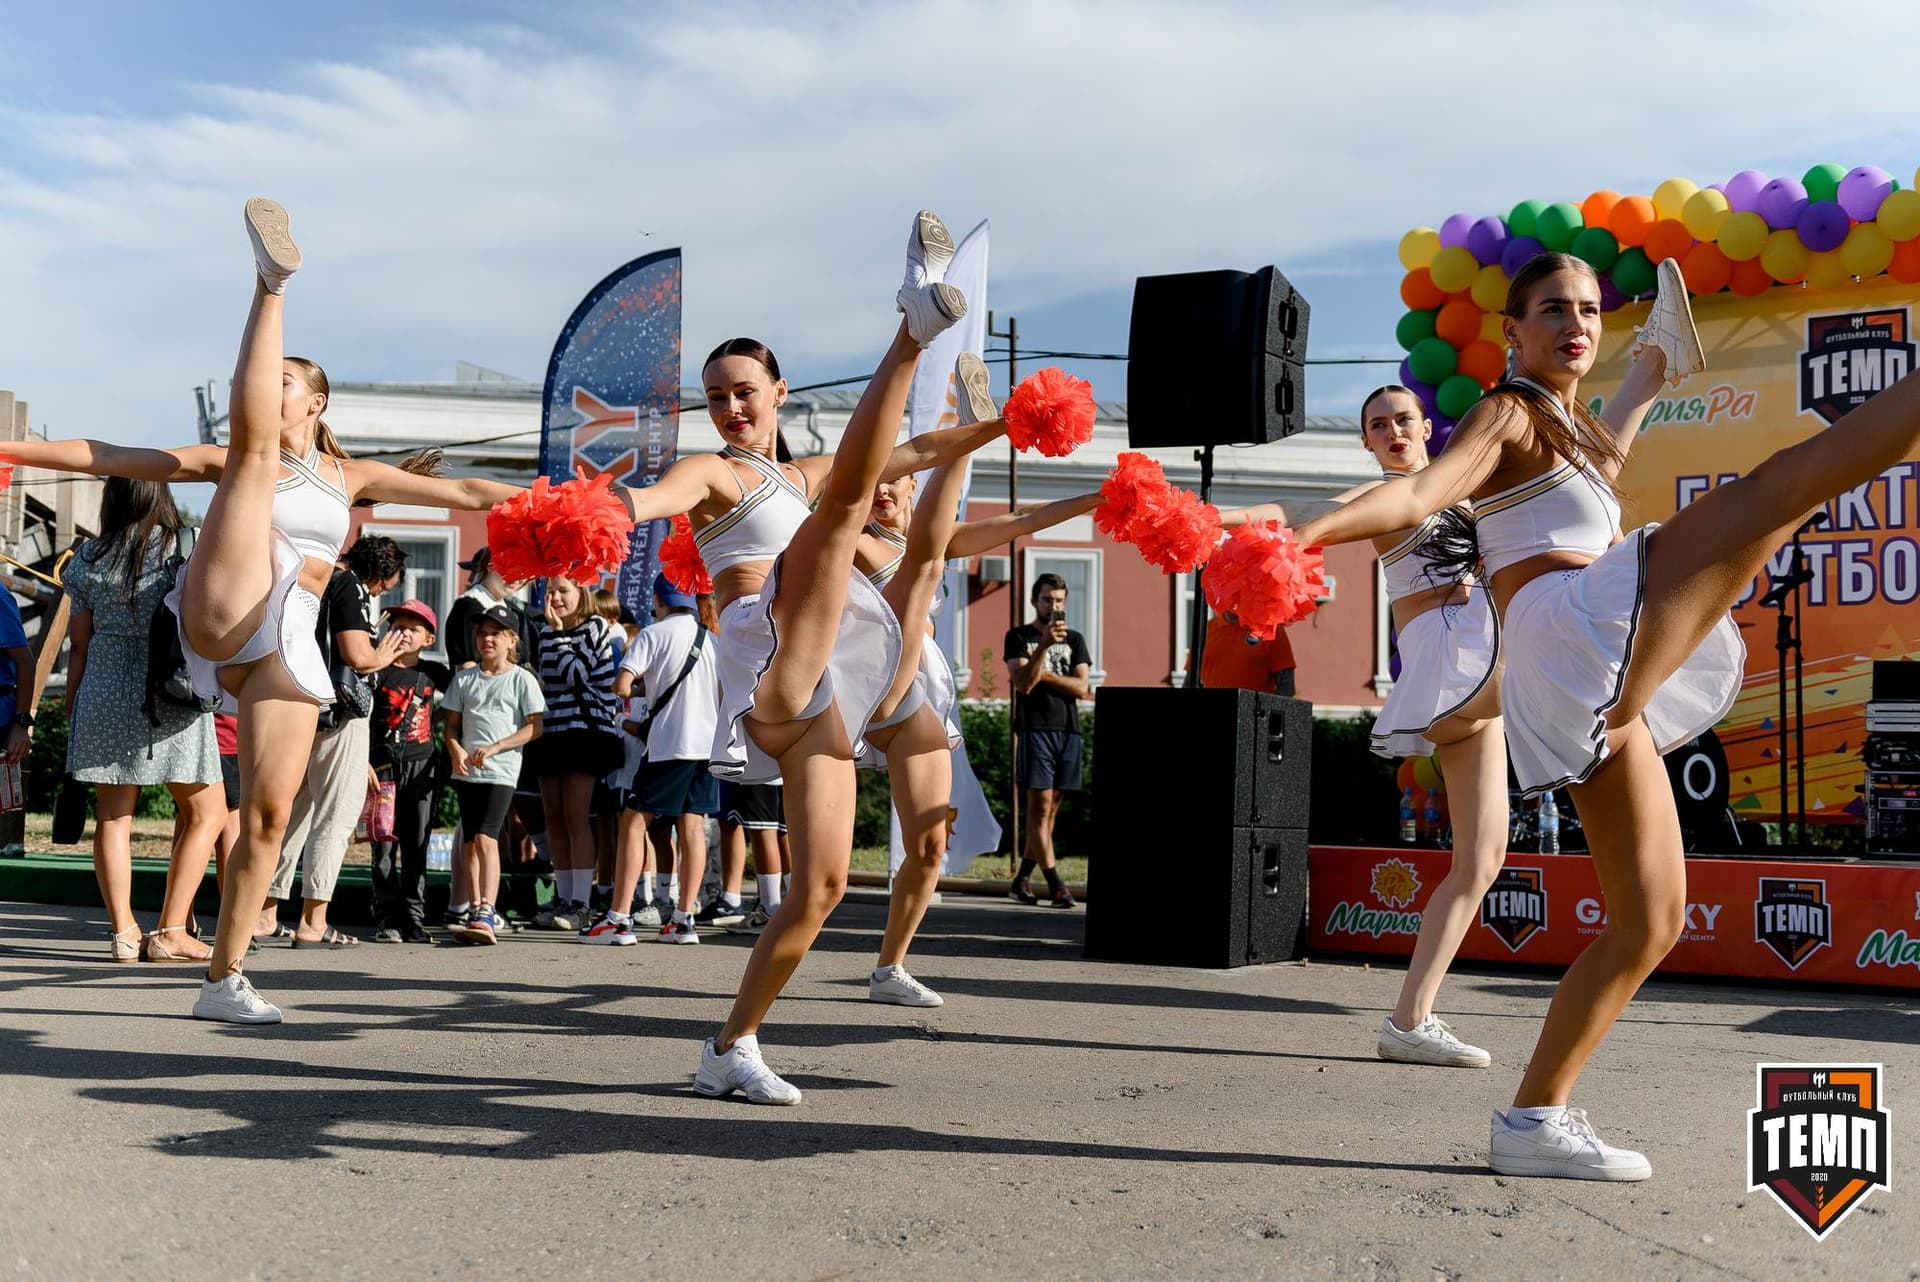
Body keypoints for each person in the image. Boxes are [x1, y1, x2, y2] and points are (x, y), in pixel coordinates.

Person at [1291, 252, 1857, 1181]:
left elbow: (1603, 459)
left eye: (1591, 311)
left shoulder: (1563, 432)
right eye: (1553, 309)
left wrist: (1648, 371)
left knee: (1579, 895)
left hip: (1552, 654)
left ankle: (1473, 1071)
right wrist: (1302, 531)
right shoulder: (1494, 422)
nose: (1577, 323)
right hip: (1517, 651)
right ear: (1511, 331)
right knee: (1769, 495)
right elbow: (1415, 495)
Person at [1, 199, 528, 1021]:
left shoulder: (347, 477)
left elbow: (463, 489)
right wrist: (12, 449)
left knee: (270, 815)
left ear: (315, 404)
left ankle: (223, 976)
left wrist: (563, 505)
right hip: (222, 601)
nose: (277, 387)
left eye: (287, 381)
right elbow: (108, 455)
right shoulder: (234, 456)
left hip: (287, 638)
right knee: (249, 459)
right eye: (270, 374)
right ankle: (269, 284)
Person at [606, 208, 1014, 1102]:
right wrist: (606, 516)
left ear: (779, 392)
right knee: (836, 525)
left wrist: (993, 428)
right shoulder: (712, 474)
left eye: (743, 390)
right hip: (766, 647)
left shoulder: (799, 474)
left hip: (826, 678)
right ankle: (910, 325)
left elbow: (917, 448)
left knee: (820, 887)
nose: (729, 407)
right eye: (714, 395)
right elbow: (646, 501)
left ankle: (730, 1045)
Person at [856, 354, 1105, 1003]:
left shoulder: (931, 540)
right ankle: (975, 424)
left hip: (923, 690)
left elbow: (1022, 524)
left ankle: (889, 968)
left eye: (897, 480)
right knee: (825, 869)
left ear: (914, 488)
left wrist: (1099, 497)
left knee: (930, 844)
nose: (885, 490)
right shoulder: (850, 541)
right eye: (874, 481)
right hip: (863, 686)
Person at [62, 477, 224, 963]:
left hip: (104, 688)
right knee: (207, 812)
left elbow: (80, 643)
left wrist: (75, 705)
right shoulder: (185, 547)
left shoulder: (88, 559)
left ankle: (124, 933)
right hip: (172, 686)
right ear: (161, 497)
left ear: (113, 499)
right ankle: (173, 927)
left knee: (113, 817)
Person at [260, 534, 411, 948]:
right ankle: (314, 920)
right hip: (342, 714)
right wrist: (385, 654)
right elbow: (357, 654)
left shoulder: (317, 580)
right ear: (381, 573)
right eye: (388, 583)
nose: (385, 591)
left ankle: (266, 913)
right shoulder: (352, 587)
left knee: (297, 814)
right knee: (335, 816)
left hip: (304, 707)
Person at [588, 577, 720, 945]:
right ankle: (683, 919)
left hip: (669, 743)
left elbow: (622, 684)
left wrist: (641, 688)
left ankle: (618, 917)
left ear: (660, 600)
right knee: (693, 827)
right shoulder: (711, 639)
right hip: (707, 744)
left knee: (633, 821)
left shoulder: (653, 633)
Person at [442, 605, 546, 944]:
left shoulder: (521, 679)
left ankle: (487, 907)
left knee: (488, 838)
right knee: (470, 843)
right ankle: (476, 908)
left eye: (495, 633)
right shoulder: (465, 679)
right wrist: (456, 750)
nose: (486, 639)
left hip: (501, 771)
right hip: (466, 773)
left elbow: (535, 728)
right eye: (482, 632)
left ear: (511, 640)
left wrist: (497, 747)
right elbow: (451, 727)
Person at [528, 576, 624, 930]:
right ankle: (563, 900)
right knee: (553, 817)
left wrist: (556, 636)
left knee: (575, 816)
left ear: (580, 593)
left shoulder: (594, 626)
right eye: (550, 591)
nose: (554, 598)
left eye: (562, 591)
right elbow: (545, 680)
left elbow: (576, 675)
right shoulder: (546, 632)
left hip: (584, 733)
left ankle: (581, 903)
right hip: (551, 732)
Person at [1004, 573, 1091, 908]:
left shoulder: (1076, 639)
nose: (1052, 606)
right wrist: (1042, 647)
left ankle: (1022, 878)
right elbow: (1024, 684)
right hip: (1035, 729)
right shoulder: (1018, 637)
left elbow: (1081, 687)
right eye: (1046, 600)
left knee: (1050, 813)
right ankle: (1057, 885)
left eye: (1058, 600)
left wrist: (1046, 674)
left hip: (1068, 730)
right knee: (1039, 810)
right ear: (1034, 601)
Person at [368, 599, 447, 944]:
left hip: (421, 766)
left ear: (429, 638)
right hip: (381, 768)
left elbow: (462, 702)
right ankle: (386, 917)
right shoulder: (374, 672)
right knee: (382, 845)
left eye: (413, 629)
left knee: (417, 843)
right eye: (398, 626)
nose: (403, 633)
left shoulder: (434, 673)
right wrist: (365, 763)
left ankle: (414, 918)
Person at [444, 547, 536, 668]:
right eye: (511, 569)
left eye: (523, 572)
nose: (516, 578)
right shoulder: (469, 606)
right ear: (491, 565)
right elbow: (466, 666)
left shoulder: (512, 610)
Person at [714, 781, 785, 934]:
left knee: (762, 829)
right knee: (780, 831)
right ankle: (784, 909)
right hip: (780, 768)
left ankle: (770, 911)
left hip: (763, 770)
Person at [1197, 612, 1294, 695]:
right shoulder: (1206, 630)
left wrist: (1257, 712)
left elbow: (1286, 687)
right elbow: (1190, 681)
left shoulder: (1269, 629)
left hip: (1250, 715)